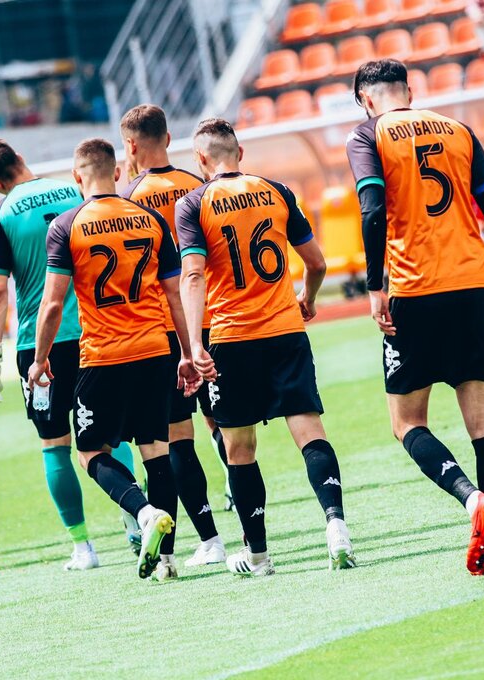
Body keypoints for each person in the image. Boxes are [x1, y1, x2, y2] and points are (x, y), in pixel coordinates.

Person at [347, 60, 484, 576]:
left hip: (413, 293)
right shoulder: (458, 129)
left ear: (366, 99)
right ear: (410, 91)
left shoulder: (368, 134)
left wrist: (375, 286)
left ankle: (471, 499)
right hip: (471, 288)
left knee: (406, 423)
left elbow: (373, 210)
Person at [176, 118, 356, 577]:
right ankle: (336, 525)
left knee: (239, 449)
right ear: (240, 152)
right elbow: (317, 262)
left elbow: (193, 275)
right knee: (310, 432)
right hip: (284, 330)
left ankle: (258, 556)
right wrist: (308, 297)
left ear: (200, 159)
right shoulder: (277, 191)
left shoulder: (193, 203)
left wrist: (194, 343)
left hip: (232, 339)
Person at [28, 138, 201, 581]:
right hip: (155, 351)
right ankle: (166, 561)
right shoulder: (149, 220)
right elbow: (174, 295)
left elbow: (52, 304)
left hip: (103, 356)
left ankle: (143, 514)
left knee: (90, 453)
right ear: (118, 172)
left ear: (76, 176)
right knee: (156, 452)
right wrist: (186, 351)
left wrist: (40, 359)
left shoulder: (67, 226)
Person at [0, 138, 139, 570]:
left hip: (38, 344)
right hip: (94, 332)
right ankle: (134, 522)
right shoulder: (75, 189)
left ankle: (83, 548)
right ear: (21, 158)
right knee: (112, 435)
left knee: (55, 446)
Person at [118, 104, 226, 567]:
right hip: (212, 318)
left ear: (130, 145)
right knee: (225, 423)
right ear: (168, 137)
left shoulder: (129, 198)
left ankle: (208, 540)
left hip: (165, 330)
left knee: (177, 439)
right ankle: (243, 517)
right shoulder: (197, 185)